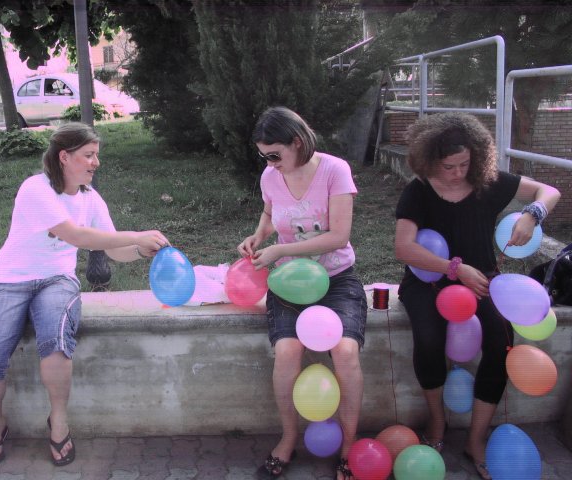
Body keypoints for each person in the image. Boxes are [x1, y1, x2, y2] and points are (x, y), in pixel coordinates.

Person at [0, 122, 170, 467]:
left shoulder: (90, 198)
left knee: (57, 343)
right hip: (10, 279)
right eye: (89, 155)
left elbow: (113, 248)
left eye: (96, 155)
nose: (96, 163)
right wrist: (137, 234)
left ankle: (58, 422)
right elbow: (76, 236)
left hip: (57, 280)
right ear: (65, 157)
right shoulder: (36, 188)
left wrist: (141, 250)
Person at [394, 112, 560, 480]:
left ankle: (476, 439)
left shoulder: (488, 182)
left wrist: (532, 214)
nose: (457, 173)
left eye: (465, 163)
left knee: (501, 341)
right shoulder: (419, 190)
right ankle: (437, 423)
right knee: (429, 338)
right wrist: (454, 269)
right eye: (448, 166)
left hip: (483, 280)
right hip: (429, 281)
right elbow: (403, 248)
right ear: (429, 160)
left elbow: (549, 191)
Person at [237, 106, 367, 480]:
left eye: (274, 155)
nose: (270, 164)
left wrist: (280, 249)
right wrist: (258, 237)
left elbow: (338, 236)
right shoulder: (270, 176)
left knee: (345, 352)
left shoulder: (334, 170)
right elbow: (269, 214)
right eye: (264, 157)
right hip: (290, 281)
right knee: (287, 351)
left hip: (337, 278)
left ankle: (349, 445)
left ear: (297, 142)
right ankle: (289, 438)